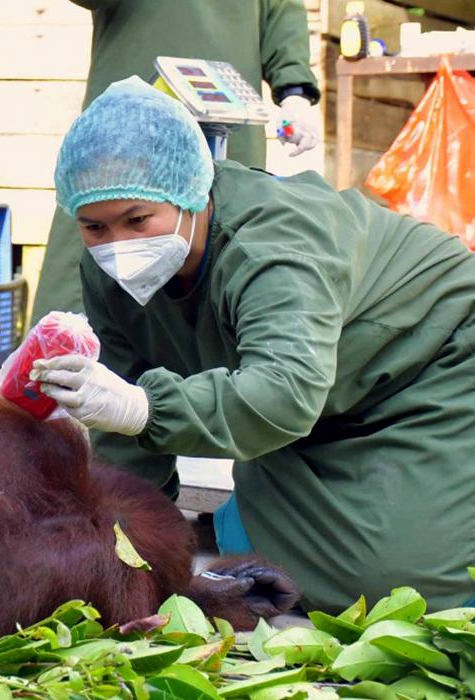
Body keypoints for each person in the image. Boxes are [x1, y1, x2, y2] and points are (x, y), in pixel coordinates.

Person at [31, 76, 475, 613]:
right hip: (314, 410)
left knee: (394, 592)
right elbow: (124, 432)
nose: (118, 245)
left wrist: (146, 408)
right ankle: (260, 511)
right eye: (94, 226)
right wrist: (132, 536)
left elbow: (284, 393)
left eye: (138, 219)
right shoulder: (106, 274)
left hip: (434, 369)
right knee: (269, 573)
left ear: (192, 194)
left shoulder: (274, 244)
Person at [31, 0, 322, 324]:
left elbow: (281, 8)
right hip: (131, 109)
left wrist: (294, 89)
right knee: (110, 220)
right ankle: (63, 358)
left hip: (227, 108)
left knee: (221, 237)